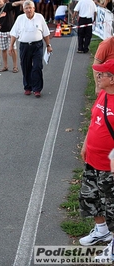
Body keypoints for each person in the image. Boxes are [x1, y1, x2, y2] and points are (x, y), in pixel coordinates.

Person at [78, 59, 114, 247]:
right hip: (93, 159)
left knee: (112, 205)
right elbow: (94, 121)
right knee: (90, 196)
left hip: (109, 166)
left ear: (113, 79)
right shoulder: (103, 95)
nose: (98, 76)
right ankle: (102, 232)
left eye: (102, 74)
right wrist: (86, 145)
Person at [9, 0, 52, 98]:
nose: (28, 10)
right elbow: (14, 33)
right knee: (25, 66)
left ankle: (37, 89)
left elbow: (46, 33)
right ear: (23, 10)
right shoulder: (20, 18)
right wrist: (11, 46)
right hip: (24, 46)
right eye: (26, 8)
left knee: (37, 67)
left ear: (34, 8)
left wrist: (48, 45)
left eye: (30, 8)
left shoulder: (39, 17)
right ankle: (28, 87)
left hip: (37, 46)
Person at [0, 0, 23, 73]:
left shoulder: (8, 6)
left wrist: (22, 2)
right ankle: (5, 66)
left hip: (10, 31)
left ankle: (15, 66)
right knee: (3, 49)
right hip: (1, 32)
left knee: (13, 48)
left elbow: (15, 3)